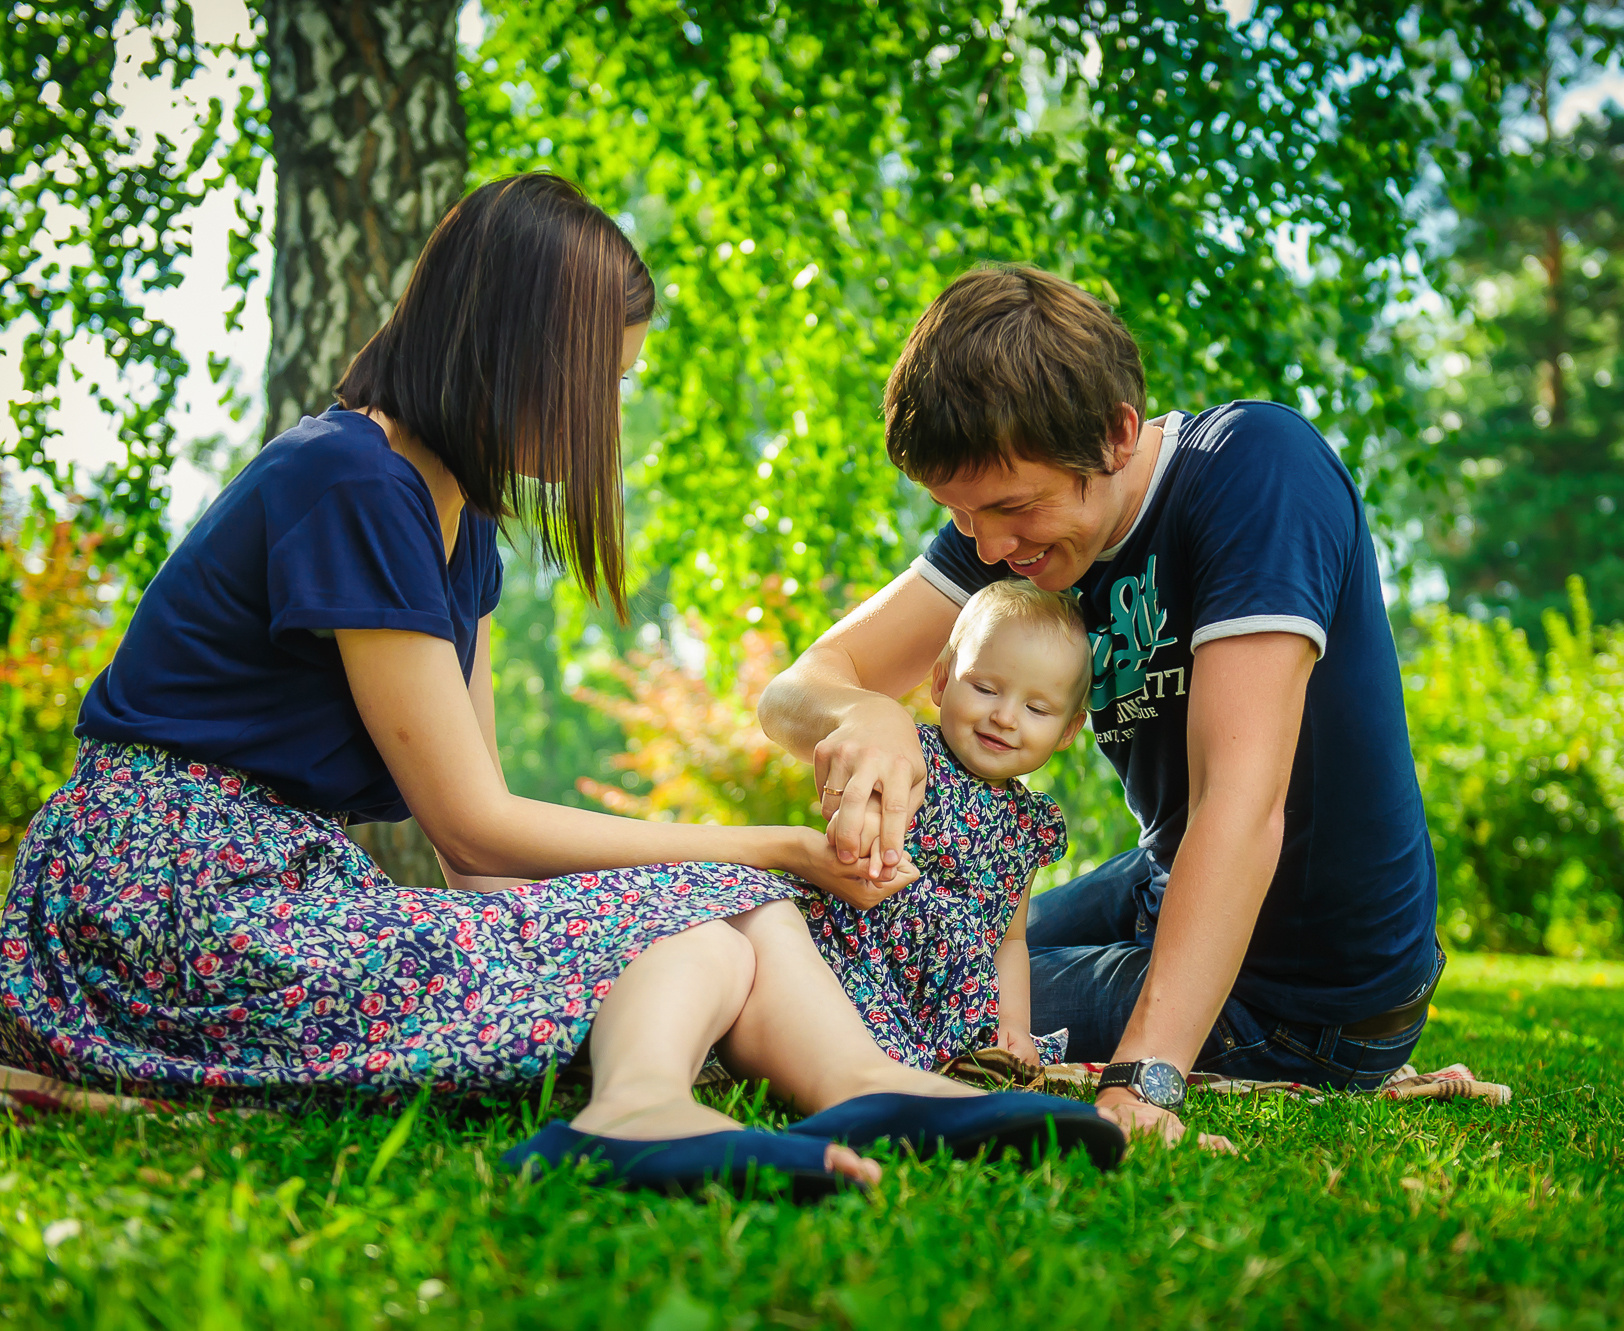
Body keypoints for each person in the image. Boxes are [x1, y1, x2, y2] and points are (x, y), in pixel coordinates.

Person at [0, 181, 1121, 1199]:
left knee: (713, 918)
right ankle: (677, 1101)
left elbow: (479, 857)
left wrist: (654, 911)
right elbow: (473, 819)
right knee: (718, 887)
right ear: (511, 348)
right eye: (604, 378)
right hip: (164, 893)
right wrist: (774, 847)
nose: (608, 413)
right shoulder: (348, 478)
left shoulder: (461, 528)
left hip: (281, 882)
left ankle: (818, 1086)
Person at [759, 264, 1445, 1147]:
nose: (992, 547)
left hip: (1305, 990)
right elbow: (795, 691)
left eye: (1011, 509)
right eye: (961, 515)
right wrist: (872, 715)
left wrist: (1145, 1077)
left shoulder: (1254, 472)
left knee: (893, 980)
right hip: (1166, 880)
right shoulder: (1011, 531)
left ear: (1117, 435)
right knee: (932, 936)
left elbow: (1243, 800)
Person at [798, 579, 1088, 1072]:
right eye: (985, 688)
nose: (1004, 716)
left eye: (1036, 709)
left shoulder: (1029, 824)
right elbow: (849, 846)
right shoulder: (909, 759)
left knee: (974, 1062)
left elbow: (1011, 939)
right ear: (940, 682)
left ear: (1067, 731)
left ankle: (962, 1057)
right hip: (862, 960)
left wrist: (1013, 1025)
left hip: (950, 1000)